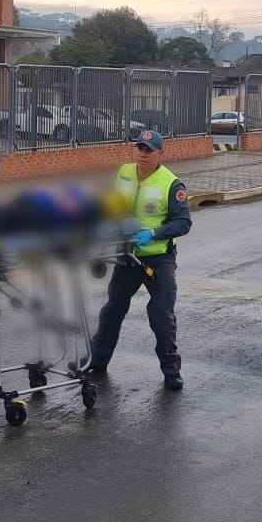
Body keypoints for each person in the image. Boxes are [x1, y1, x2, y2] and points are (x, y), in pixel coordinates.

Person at [78, 131, 192, 388]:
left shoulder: (172, 184)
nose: (142, 153)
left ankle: (171, 371)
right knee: (113, 307)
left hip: (158, 260)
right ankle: (98, 359)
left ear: (161, 154)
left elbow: (183, 223)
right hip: (128, 255)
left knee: (161, 315)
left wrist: (153, 233)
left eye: (149, 150)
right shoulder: (124, 173)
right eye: (139, 148)